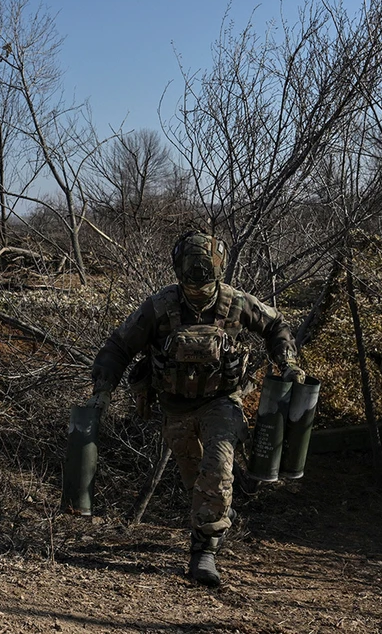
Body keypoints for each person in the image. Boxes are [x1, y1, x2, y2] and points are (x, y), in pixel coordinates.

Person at [89, 230, 305, 586]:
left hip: (221, 402)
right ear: (179, 271)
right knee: (198, 481)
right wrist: (103, 389)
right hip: (175, 408)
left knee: (217, 471)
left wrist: (288, 362)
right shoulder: (160, 307)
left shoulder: (236, 303)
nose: (199, 287)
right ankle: (220, 509)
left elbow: (276, 326)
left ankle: (203, 553)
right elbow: (118, 346)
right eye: (192, 278)